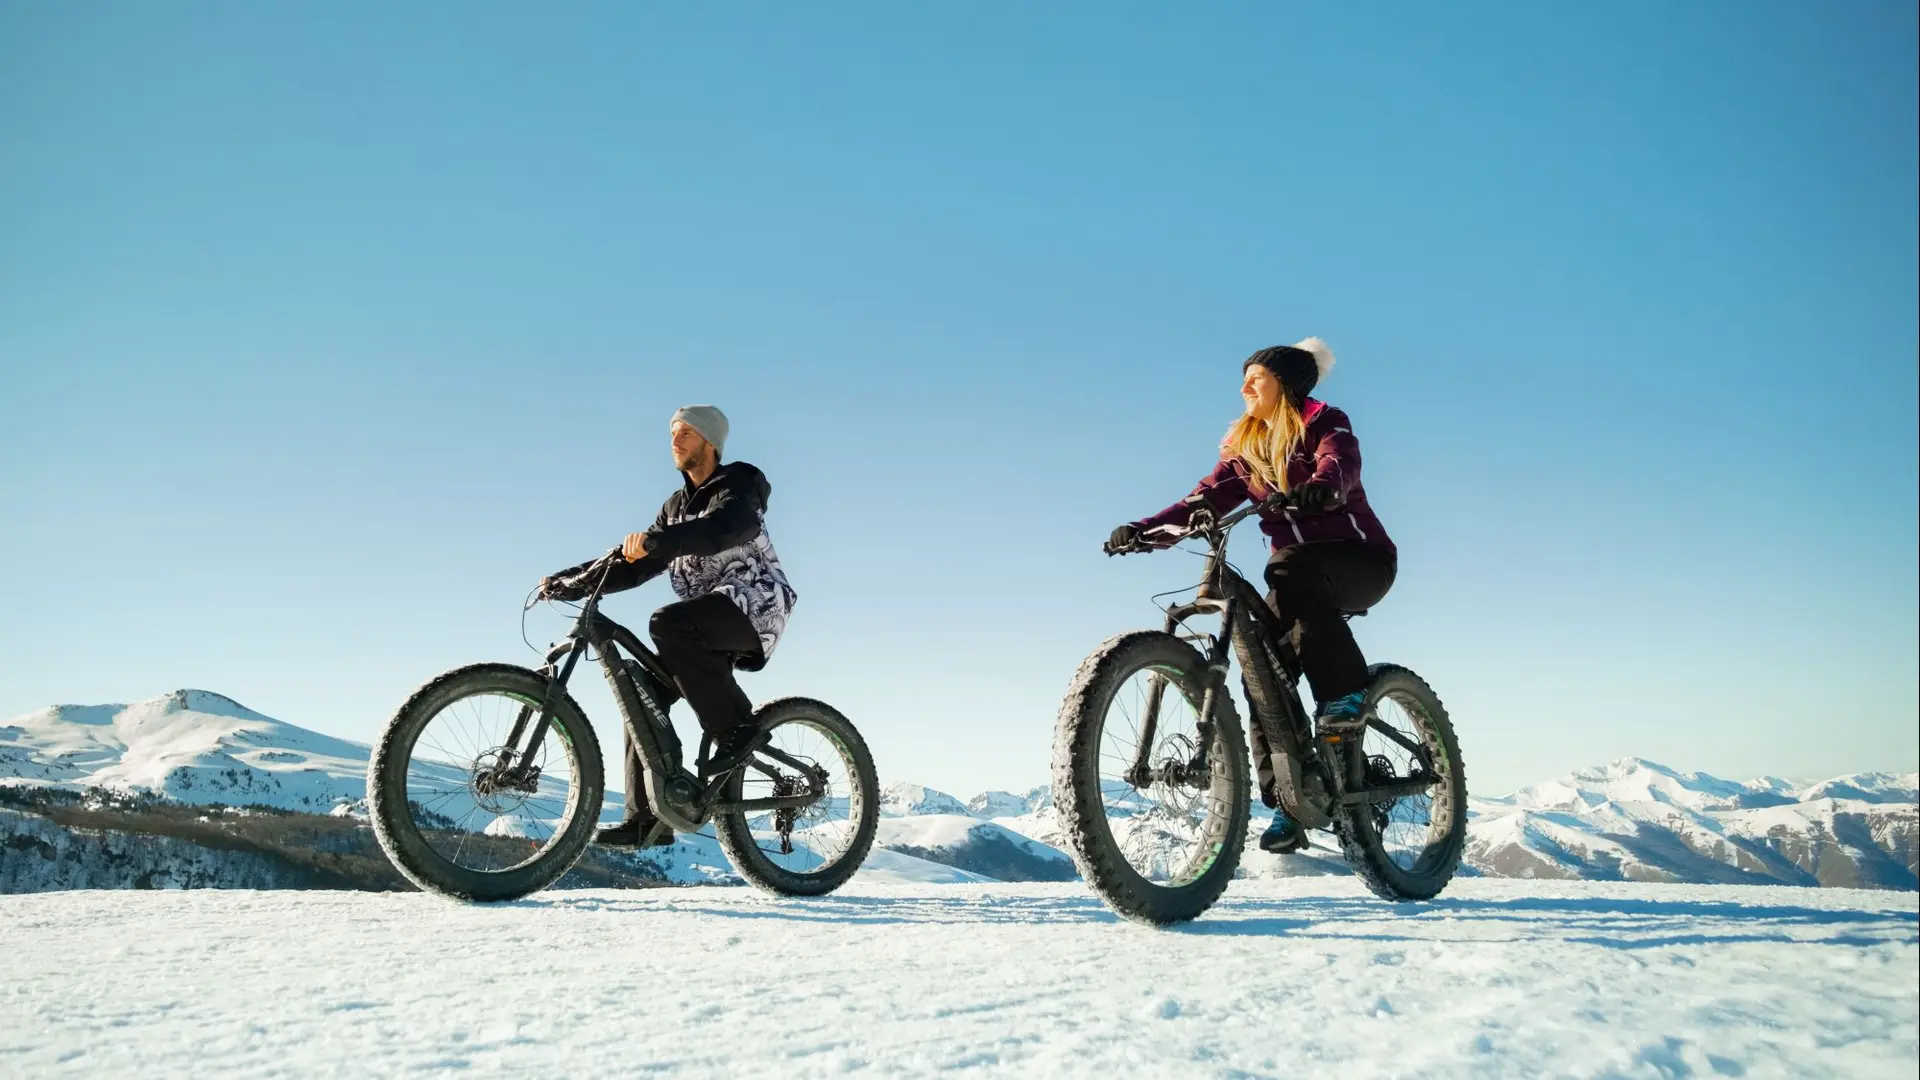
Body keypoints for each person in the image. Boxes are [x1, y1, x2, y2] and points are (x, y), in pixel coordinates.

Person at [1107, 339, 1396, 855]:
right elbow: (1204, 499)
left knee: (1288, 565)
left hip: (1360, 561)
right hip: (1298, 579)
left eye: (1255, 378)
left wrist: (1323, 488)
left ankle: (1346, 692)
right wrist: (1144, 530)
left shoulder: (1326, 423)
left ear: (1284, 384)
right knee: (1261, 669)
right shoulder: (1247, 450)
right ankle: (1289, 801)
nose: (1244, 388)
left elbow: (1339, 462)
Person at [539, 405, 797, 848]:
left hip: (755, 606)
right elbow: (635, 565)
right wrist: (570, 582)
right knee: (641, 695)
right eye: (672, 433)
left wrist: (660, 543)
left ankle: (736, 728)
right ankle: (648, 821)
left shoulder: (738, 485)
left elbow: (723, 530)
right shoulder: (674, 508)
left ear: (710, 443)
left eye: (686, 433)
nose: (674, 441)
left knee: (666, 622)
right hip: (705, 624)